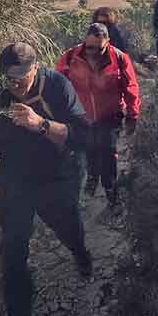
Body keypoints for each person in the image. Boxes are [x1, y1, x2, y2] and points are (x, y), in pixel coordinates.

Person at [0, 42, 92, 316]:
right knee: (12, 250)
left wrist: (41, 125)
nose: (16, 83)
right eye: (10, 77)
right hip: (15, 180)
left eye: (22, 75)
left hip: (57, 175)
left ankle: (80, 252)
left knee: (67, 225)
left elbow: (81, 136)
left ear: (36, 67)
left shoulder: (57, 86)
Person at [56, 23, 140, 206]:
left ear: (108, 42)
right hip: (82, 115)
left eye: (98, 48)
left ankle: (110, 189)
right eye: (89, 47)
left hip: (110, 114)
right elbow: (58, 85)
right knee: (90, 148)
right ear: (84, 42)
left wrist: (132, 115)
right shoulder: (70, 58)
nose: (93, 52)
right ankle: (93, 176)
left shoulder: (119, 58)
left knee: (108, 151)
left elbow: (131, 88)